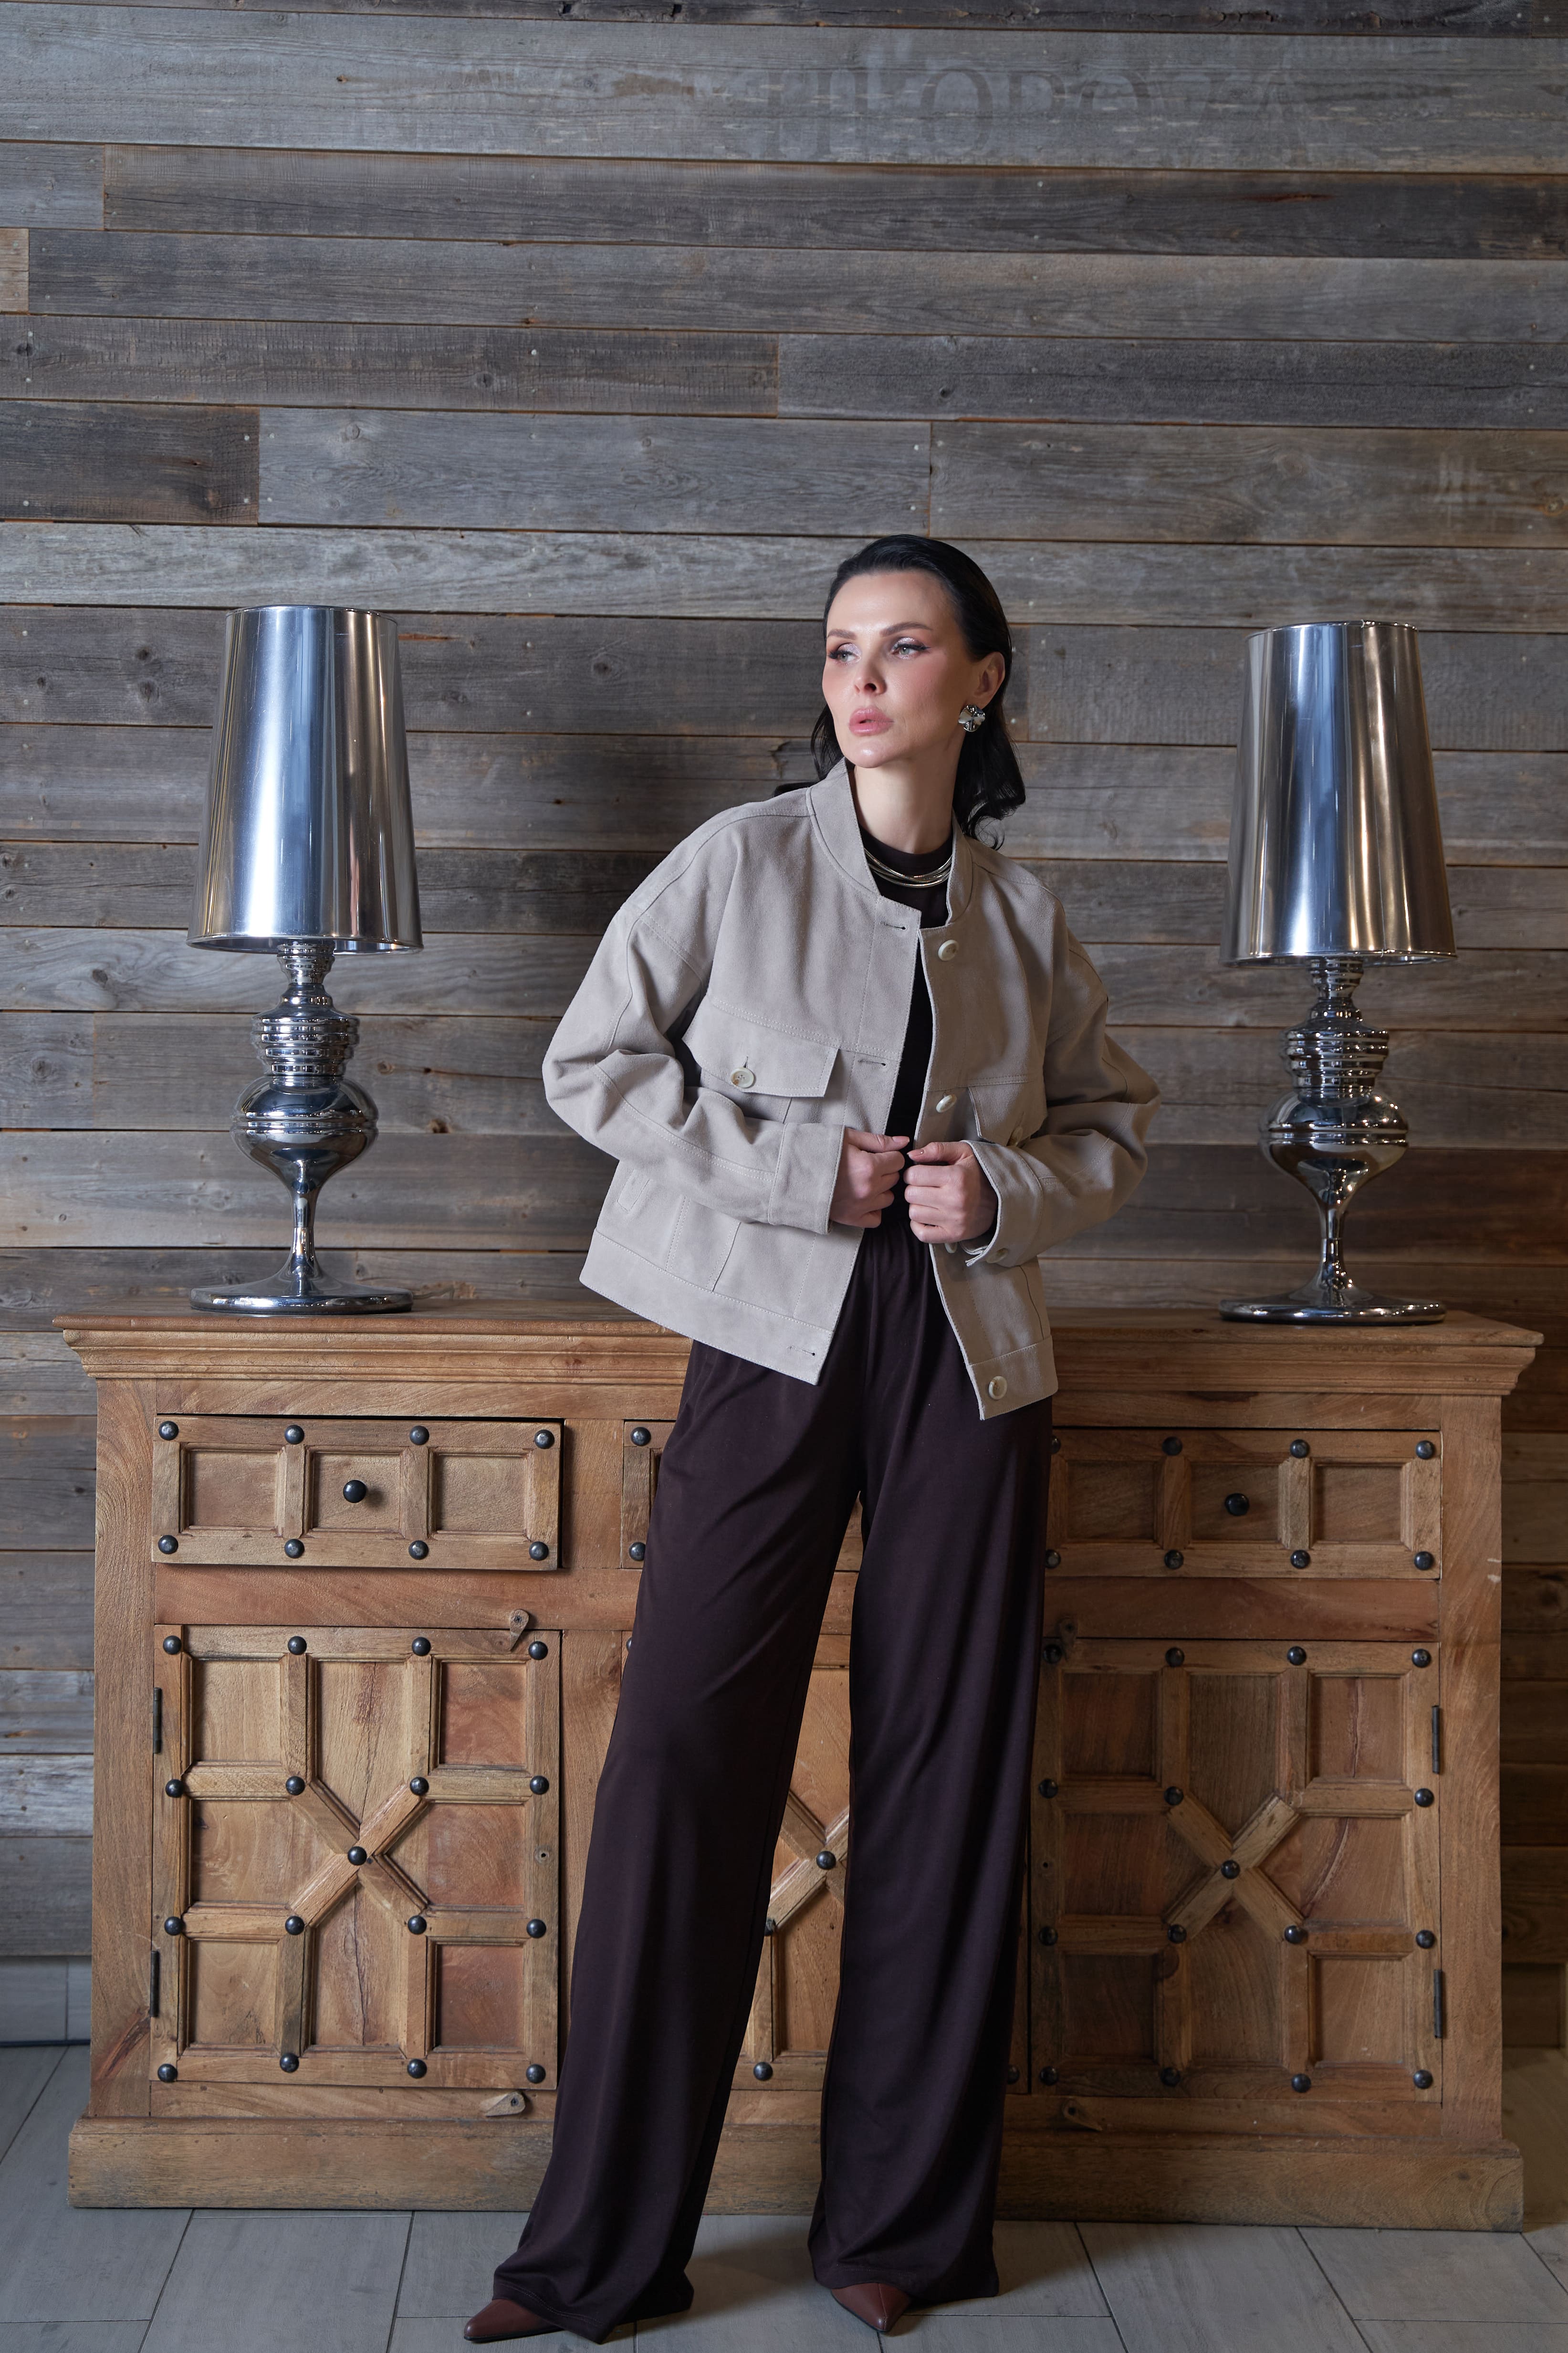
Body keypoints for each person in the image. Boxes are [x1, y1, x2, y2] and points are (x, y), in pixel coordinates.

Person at [465, 536, 1159, 2344]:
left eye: (904, 646)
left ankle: (901, 2232)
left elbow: (1108, 1127)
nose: (862, 678)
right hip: (769, 1339)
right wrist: (802, 1171)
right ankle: (598, 2254)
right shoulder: (739, 860)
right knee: (683, 1758)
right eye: (843, 647)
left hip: (972, 1362)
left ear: (981, 681)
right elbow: (595, 1064)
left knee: (947, 1771)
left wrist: (999, 1191)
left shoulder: (1024, 914)